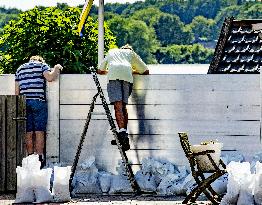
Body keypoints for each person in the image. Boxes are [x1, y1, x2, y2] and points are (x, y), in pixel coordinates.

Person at [97, 44, 149, 151]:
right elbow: (145, 71)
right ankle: (123, 134)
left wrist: (109, 71)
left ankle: (122, 133)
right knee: (123, 106)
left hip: (114, 75)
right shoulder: (130, 53)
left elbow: (100, 70)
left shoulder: (112, 51)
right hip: (127, 76)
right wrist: (132, 70)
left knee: (118, 105)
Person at [15, 55, 63, 167]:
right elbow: (50, 77)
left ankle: (30, 160)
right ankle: (40, 159)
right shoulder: (41, 65)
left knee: (28, 132)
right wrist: (56, 67)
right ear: (40, 60)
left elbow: (16, 92)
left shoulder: (20, 69)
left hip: (24, 102)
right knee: (39, 131)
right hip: (38, 102)